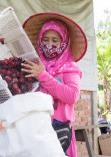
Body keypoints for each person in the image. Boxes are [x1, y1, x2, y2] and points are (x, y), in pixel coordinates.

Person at [21, 12, 87, 157]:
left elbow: (72, 96)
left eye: (55, 40)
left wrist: (43, 75)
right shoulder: (33, 66)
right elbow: (20, 93)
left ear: (64, 43)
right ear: (39, 40)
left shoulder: (70, 68)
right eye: (45, 39)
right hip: (35, 131)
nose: (49, 45)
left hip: (59, 133)